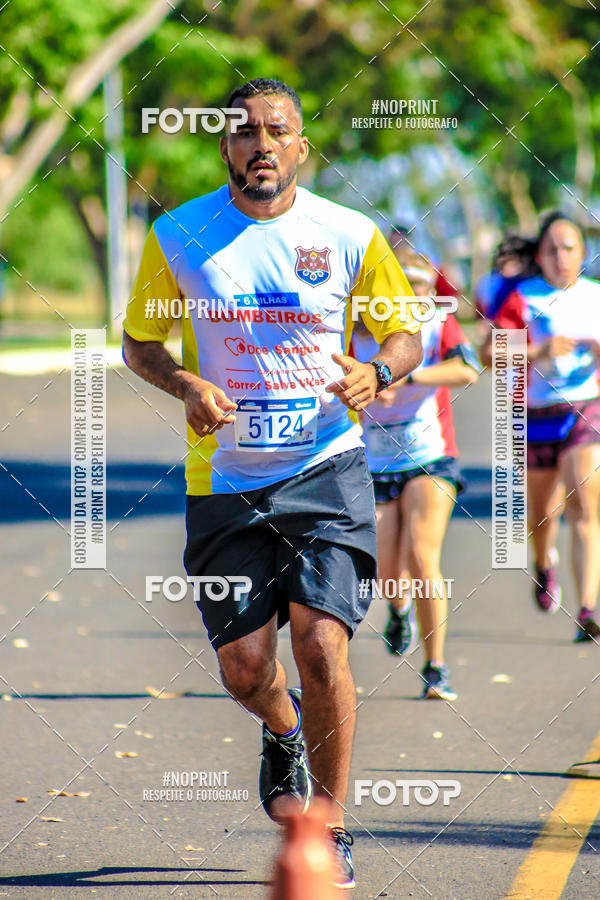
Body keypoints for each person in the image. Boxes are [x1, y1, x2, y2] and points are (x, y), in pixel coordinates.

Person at [122, 78, 422, 889]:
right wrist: (184, 383)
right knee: (246, 671)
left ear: (300, 147)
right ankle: (281, 730)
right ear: (224, 148)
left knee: (322, 645)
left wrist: (375, 368)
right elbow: (139, 342)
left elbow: (402, 333)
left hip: (326, 468)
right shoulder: (181, 233)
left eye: (276, 130)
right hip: (223, 482)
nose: (260, 143)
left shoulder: (349, 233)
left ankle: (327, 824)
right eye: (244, 132)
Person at [352, 247, 480, 700]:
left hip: (430, 456)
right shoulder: (354, 329)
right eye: (404, 285)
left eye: (423, 286)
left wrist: (407, 378)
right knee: (388, 569)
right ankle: (399, 609)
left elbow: (467, 368)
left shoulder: (435, 324)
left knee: (423, 556)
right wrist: (361, 389)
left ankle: (436, 667)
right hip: (376, 460)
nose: (414, 294)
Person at [481, 212, 600, 641]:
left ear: (583, 253)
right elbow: (489, 355)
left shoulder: (596, 296)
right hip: (532, 416)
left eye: (569, 247)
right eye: (551, 248)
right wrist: (538, 348)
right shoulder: (522, 297)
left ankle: (588, 610)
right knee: (542, 514)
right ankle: (544, 561)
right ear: (540, 255)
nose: (560, 256)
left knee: (585, 504)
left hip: (586, 410)